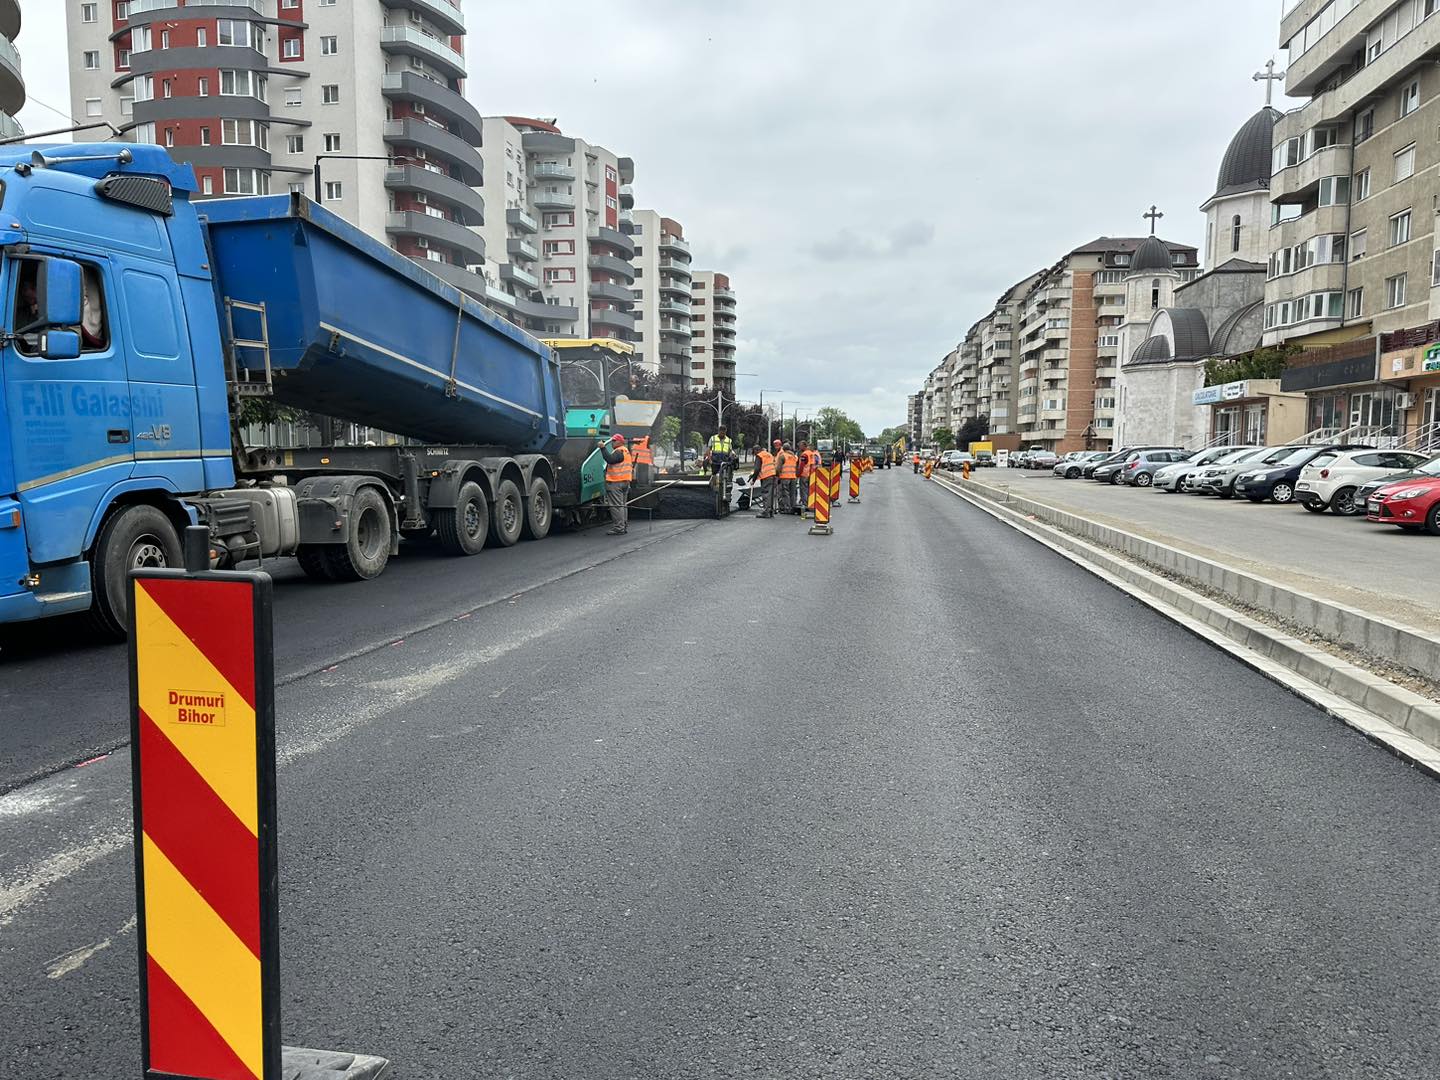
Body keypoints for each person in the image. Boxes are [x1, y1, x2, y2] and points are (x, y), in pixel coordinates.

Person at [599, 433, 632, 535]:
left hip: (616, 482)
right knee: (622, 505)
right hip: (625, 482)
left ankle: (619, 527)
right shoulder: (626, 451)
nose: (612, 442)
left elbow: (610, 459)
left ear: (620, 442)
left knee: (616, 506)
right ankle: (623, 525)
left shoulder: (619, 451)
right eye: (612, 440)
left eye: (614, 441)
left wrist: (602, 448)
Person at [750, 442, 777, 518]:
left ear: (756, 450)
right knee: (771, 494)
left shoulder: (759, 456)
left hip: (766, 476)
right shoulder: (769, 454)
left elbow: (757, 469)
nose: (754, 455)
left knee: (766, 494)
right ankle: (770, 511)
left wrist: (753, 480)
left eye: (754, 453)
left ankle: (766, 512)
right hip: (772, 475)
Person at [776, 440, 799, 516]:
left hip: (785, 477)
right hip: (793, 477)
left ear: (784, 448)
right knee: (792, 493)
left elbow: (778, 468)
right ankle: (793, 507)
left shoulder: (782, 456)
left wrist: (777, 476)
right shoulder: (793, 456)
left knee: (785, 493)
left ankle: (787, 508)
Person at [798, 440, 820, 514]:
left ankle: (805, 503)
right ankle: (810, 502)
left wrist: (798, 473)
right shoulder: (811, 453)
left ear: (804, 446)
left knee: (803, 489)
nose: (799, 447)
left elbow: (802, 466)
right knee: (809, 489)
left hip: (804, 474)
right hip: (811, 474)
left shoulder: (804, 454)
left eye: (800, 446)